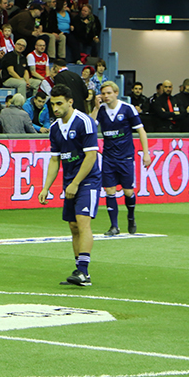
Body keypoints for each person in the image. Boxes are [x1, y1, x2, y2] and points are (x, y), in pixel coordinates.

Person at [37, 83, 100, 286]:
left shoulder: (85, 122)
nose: (55, 108)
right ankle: (80, 271)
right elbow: (55, 160)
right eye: (52, 104)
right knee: (73, 226)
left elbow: (91, 156)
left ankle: (83, 271)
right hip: (70, 182)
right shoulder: (54, 128)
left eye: (59, 104)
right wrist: (46, 187)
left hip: (87, 179)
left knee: (83, 222)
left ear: (70, 102)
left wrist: (75, 183)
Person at [91, 81, 151, 236]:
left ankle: (131, 217)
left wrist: (146, 153)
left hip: (125, 157)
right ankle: (114, 226)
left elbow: (141, 131)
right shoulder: (101, 110)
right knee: (109, 190)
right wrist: (96, 108)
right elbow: (90, 126)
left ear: (116, 93)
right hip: (108, 157)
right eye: (103, 93)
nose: (106, 96)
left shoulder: (127, 109)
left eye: (109, 93)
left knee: (128, 191)